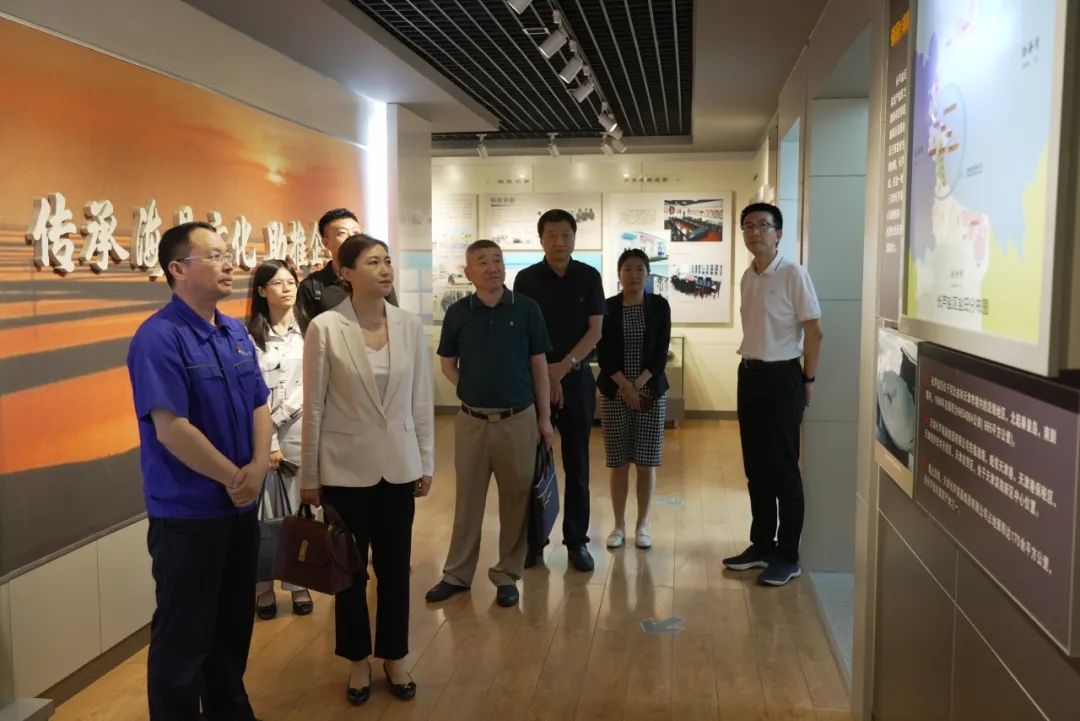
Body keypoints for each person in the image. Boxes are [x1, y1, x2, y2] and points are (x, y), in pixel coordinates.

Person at [126, 221, 271, 721]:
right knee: (184, 639)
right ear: (178, 268)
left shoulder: (234, 332)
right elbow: (172, 429)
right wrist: (236, 477)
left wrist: (257, 468)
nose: (230, 263)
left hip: (240, 508)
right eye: (215, 255)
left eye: (228, 253)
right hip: (188, 514)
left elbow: (259, 405)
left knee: (232, 629)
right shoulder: (158, 338)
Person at [299, 234, 434, 705]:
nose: (385, 269)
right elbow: (314, 406)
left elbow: (421, 399)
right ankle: (357, 659)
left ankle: (395, 655)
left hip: (398, 467)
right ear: (346, 273)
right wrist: (309, 476)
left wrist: (425, 460)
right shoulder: (326, 327)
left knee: (396, 568)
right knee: (349, 572)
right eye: (373, 262)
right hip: (344, 470)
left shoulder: (408, 325)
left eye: (388, 261)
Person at [426, 239, 554, 608]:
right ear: (468, 273)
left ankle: (507, 574)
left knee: (516, 499)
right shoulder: (458, 312)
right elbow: (448, 363)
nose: (492, 267)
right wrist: (467, 388)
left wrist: (544, 419)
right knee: (468, 499)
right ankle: (457, 574)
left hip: (518, 420)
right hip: (471, 421)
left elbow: (540, 368)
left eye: (497, 260)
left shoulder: (526, 309)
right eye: (482, 262)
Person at [723, 203, 823, 587]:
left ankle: (788, 555)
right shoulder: (748, 275)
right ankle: (762, 544)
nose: (755, 232)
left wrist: (808, 380)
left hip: (783, 377)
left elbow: (814, 331)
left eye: (763, 226)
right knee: (756, 467)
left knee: (783, 468)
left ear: (778, 233)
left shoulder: (793, 273)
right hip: (749, 374)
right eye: (748, 226)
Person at [513, 208, 605, 572]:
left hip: (577, 379)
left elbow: (595, 331)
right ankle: (534, 542)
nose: (559, 241)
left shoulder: (588, 276)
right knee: (534, 465)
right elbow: (522, 333)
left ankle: (577, 542)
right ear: (541, 239)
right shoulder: (526, 279)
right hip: (535, 381)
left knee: (578, 465)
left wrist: (563, 367)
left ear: (574, 238)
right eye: (551, 235)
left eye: (566, 234)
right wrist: (547, 377)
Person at [245, 259, 313, 619]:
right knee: (263, 514)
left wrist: (277, 420)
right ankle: (262, 587)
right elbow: (249, 388)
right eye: (278, 283)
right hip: (258, 434)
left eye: (291, 282)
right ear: (261, 291)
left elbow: (313, 382)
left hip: (300, 430)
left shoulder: (311, 331)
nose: (287, 288)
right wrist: (267, 436)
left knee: (300, 509)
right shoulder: (249, 337)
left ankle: (298, 582)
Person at [596, 249, 671, 551]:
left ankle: (642, 526)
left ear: (648, 273)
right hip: (615, 392)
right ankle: (619, 525)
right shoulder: (607, 307)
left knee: (646, 462)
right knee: (619, 462)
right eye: (627, 269)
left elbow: (661, 351)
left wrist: (638, 385)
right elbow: (603, 353)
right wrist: (625, 387)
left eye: (640, 269)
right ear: (619, 274)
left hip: (650, 392)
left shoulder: (660, 306)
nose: (634, 274)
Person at [295, 208, 398, 332]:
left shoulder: (378, 281)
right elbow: (307, 334)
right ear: (326, 243)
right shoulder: (311, 286)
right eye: (342, 233)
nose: (351, 237)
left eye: (356, 232)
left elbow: (395, 325)